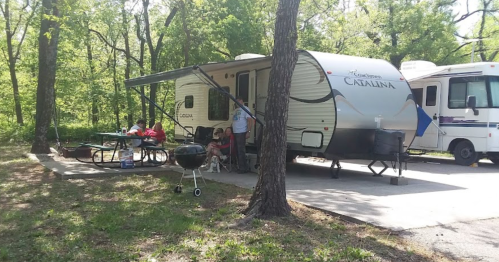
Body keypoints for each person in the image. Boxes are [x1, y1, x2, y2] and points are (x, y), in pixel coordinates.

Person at [232, 97, 253, 173]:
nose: (236, 103)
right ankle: (239, 166)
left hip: (241, 131)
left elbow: (250, 121)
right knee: (237, 150)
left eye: (238, 101)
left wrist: (249, 131)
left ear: (241, 101)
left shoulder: (245, 109)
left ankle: (243, 168)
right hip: (235, 132)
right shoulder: (235, 110)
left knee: (241, 150)